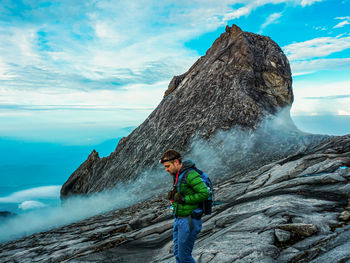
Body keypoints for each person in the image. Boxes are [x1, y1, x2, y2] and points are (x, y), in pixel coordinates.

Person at [160, 149, 209, 263]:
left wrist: (184, 199)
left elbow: (204, 193)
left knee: (184, 257)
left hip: (189, 220)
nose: (166, 170)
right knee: (178, 254)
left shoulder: (190, 174)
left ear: (176, 162)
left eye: (167, 166)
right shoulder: (178, 175)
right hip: (179, 219)